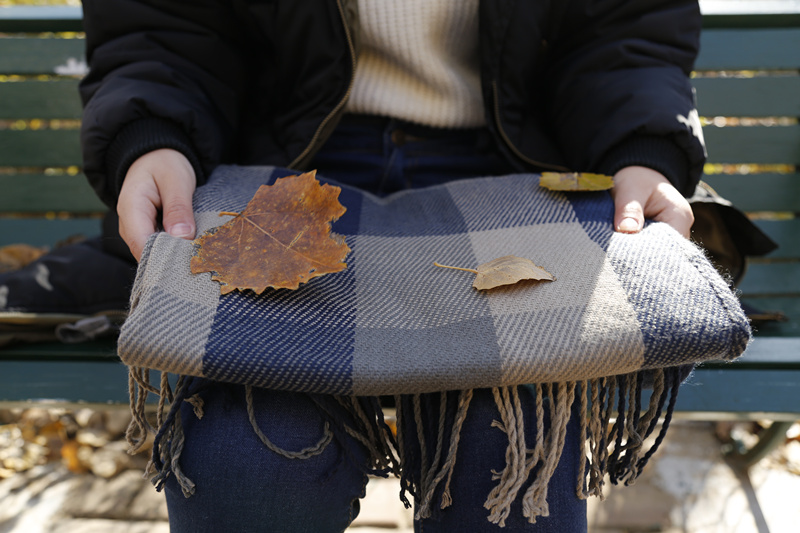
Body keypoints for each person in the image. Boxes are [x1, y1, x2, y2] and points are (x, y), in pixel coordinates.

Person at [78, 1, 705, 531]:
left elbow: (625, 28)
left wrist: (640, 146)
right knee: (245, 463)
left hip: (510, 166)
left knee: (506, 463)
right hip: (280, 161)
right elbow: (161, 26)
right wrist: (154, 136)